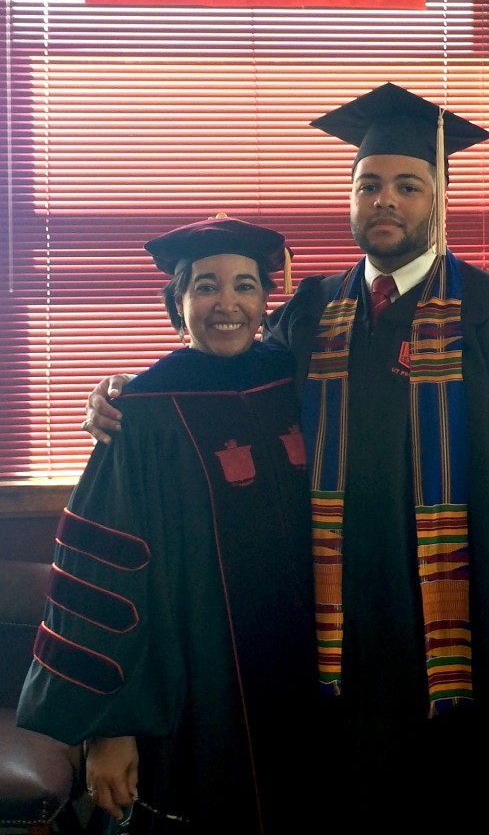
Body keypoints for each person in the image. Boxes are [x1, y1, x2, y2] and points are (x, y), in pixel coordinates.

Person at [82, 84, 489, 834]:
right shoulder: (311, 315)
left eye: (409, 185)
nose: (387, 200)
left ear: (438, 199)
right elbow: (223, 371)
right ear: (349, 196)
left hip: (467, 656)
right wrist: (122, 394)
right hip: (337, 657)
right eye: (369, 183)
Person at [17, 217, 317, 835]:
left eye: (245, 285)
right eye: (205, 286)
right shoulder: (144, 413)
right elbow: (102, 578)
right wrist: (110, 725)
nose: (226, 303)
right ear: (177, 304)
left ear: (267, 301)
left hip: (309, 676)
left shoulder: (300, 384)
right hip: (194, 692)